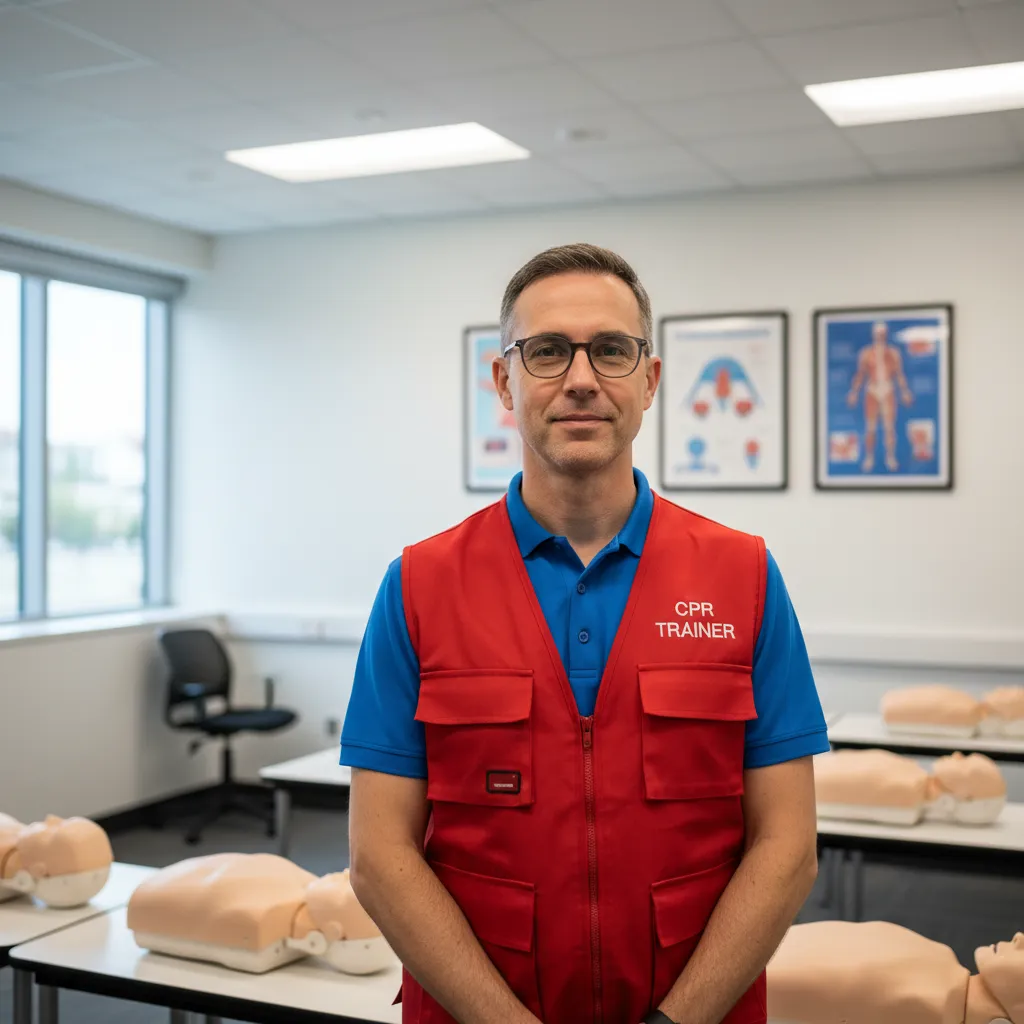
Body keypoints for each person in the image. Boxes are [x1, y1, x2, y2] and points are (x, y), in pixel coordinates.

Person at [341, 244, 828, 1024]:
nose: (579, 378)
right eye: (545, 352)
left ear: (650, 380)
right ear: (505, 381)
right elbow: (379, 857)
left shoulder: (743, 575)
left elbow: (787, 847)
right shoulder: (420, 586)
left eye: (609, 349)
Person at [845, 320, 913, 473]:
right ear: (874, 334)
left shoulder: (893, 353)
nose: (880, 336)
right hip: (872, 389)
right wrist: (854, 392)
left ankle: (890, 457)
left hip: (887, 388)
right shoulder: (866, 353)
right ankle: (869, 457)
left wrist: (904, 391)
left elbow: (899, 374)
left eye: (883, 334)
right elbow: (860, 374)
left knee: (889, 427)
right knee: (870, 427)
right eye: (878, 334)